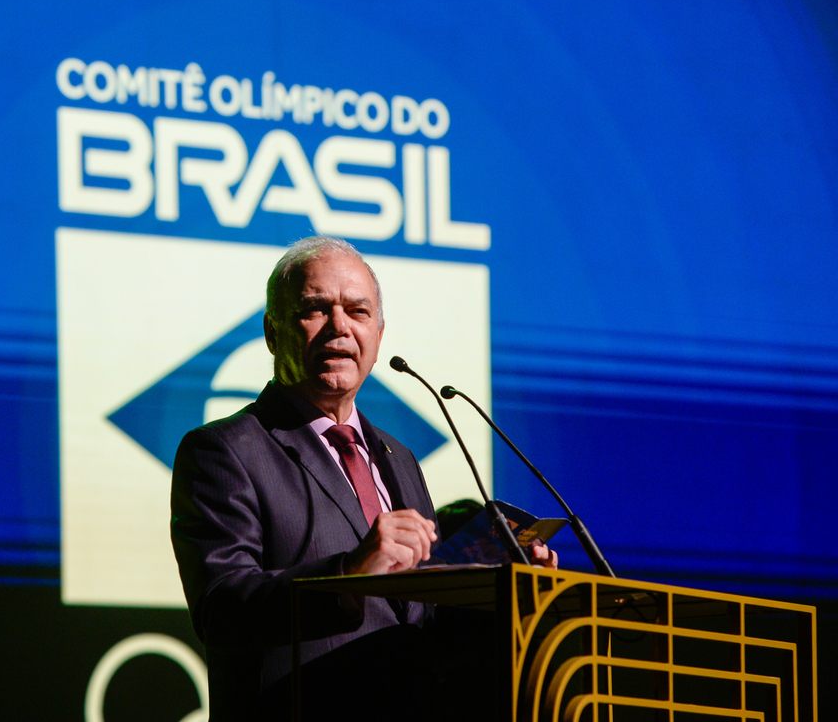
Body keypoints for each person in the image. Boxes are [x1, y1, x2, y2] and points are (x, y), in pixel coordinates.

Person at [170, 235, 553, 721]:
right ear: (272, 332)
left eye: (358, 311)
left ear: (378, 334)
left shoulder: (399, 459)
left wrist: (503, 592)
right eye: (314, 309)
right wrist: (349, 572)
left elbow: (420, 624)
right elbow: (222, 609)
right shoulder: (224, 450)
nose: (340, 328)